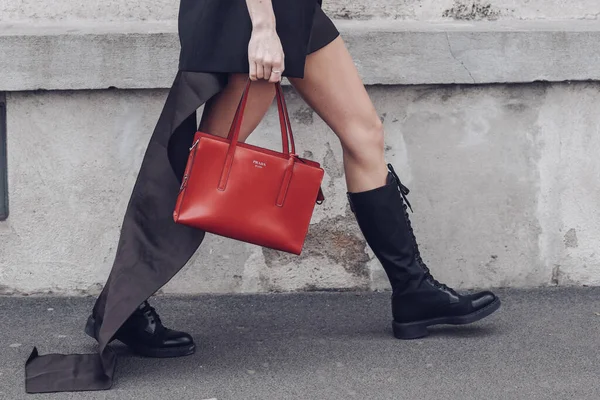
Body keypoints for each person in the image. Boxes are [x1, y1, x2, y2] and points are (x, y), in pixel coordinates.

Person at [25, 0, 500, 393]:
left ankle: (414, 292)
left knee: (364, 135)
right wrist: (263, 24)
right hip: (254, 15)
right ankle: (118, 308)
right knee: (206, 172)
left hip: (293, 11)